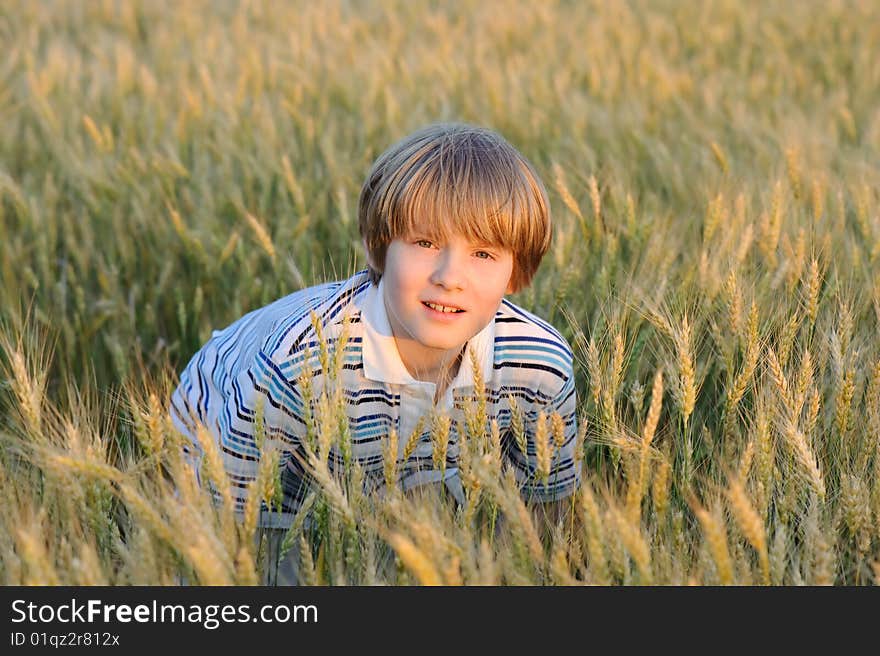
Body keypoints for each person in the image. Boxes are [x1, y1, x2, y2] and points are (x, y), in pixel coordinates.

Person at [169, 123, 581, 583]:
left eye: (483, 254)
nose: (450, 276)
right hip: (233, 426)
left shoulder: (540, 366)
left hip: (386, 462)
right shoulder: (299, 366)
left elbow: (545, 507)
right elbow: (222, 521)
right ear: (378, 248)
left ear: (517, 274)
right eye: (425, 243)